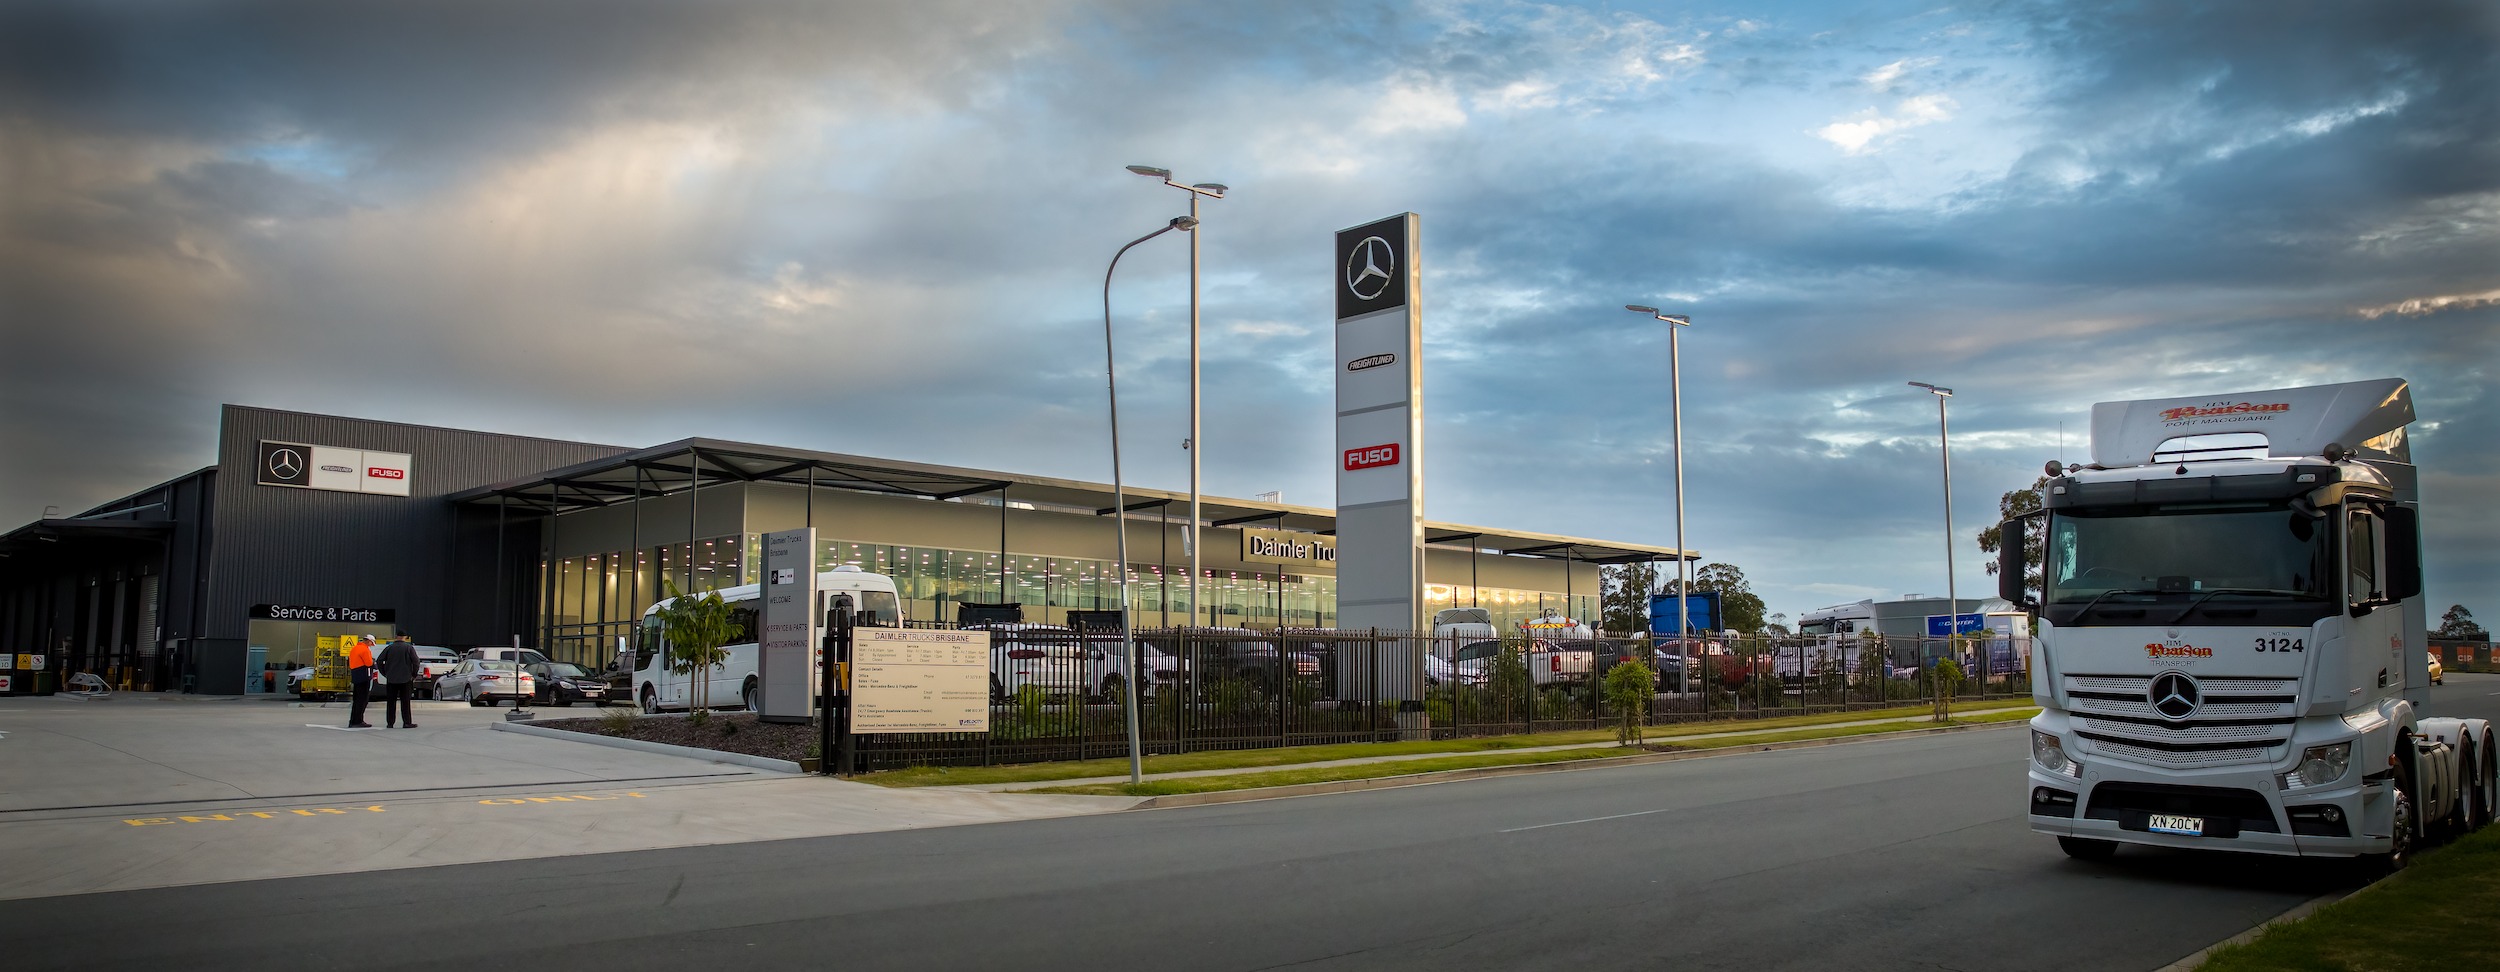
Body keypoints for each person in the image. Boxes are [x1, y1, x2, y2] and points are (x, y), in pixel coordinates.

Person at [376, 634, 420, 729]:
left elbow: (379, 660)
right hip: (406, 679)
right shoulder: (409, 648)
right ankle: (407, 722)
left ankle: (390, 723)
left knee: (391, 702)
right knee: (405, 702)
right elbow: (416, 662)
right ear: (405, 637)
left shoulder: (389, 648)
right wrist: (413, 674)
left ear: (396, 636)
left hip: (391, 679)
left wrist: (385, 672)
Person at [346, 636, 377, 728]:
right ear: (368, 641)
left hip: (356, 675)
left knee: (356, 699)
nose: (371, 645)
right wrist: (373, 663)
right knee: (363, 699)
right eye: (371, 643)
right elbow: (368, 663)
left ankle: (353, 720)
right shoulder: (365, 649)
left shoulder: (354, 648)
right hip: (364, 676)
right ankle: (358, 720)